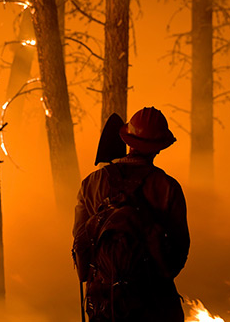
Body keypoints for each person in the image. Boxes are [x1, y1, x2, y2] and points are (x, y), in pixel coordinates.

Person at [73, 106, 190, 322]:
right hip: (153, 307)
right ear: (159, 147)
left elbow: (81, 247)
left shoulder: (91, 183)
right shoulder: (168, 188)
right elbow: (176, 258)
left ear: (127, 141)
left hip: (104, 306)